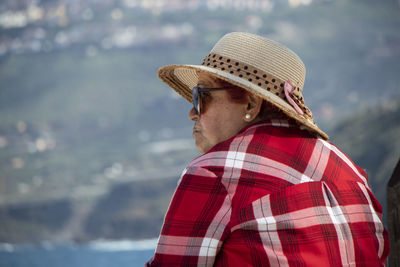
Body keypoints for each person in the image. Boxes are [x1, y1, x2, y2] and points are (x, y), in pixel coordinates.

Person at [146, 32, 390, 266]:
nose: (191, 113)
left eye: (201, 96)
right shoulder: (351, 173)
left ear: (251, 103)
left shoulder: (215, 171)